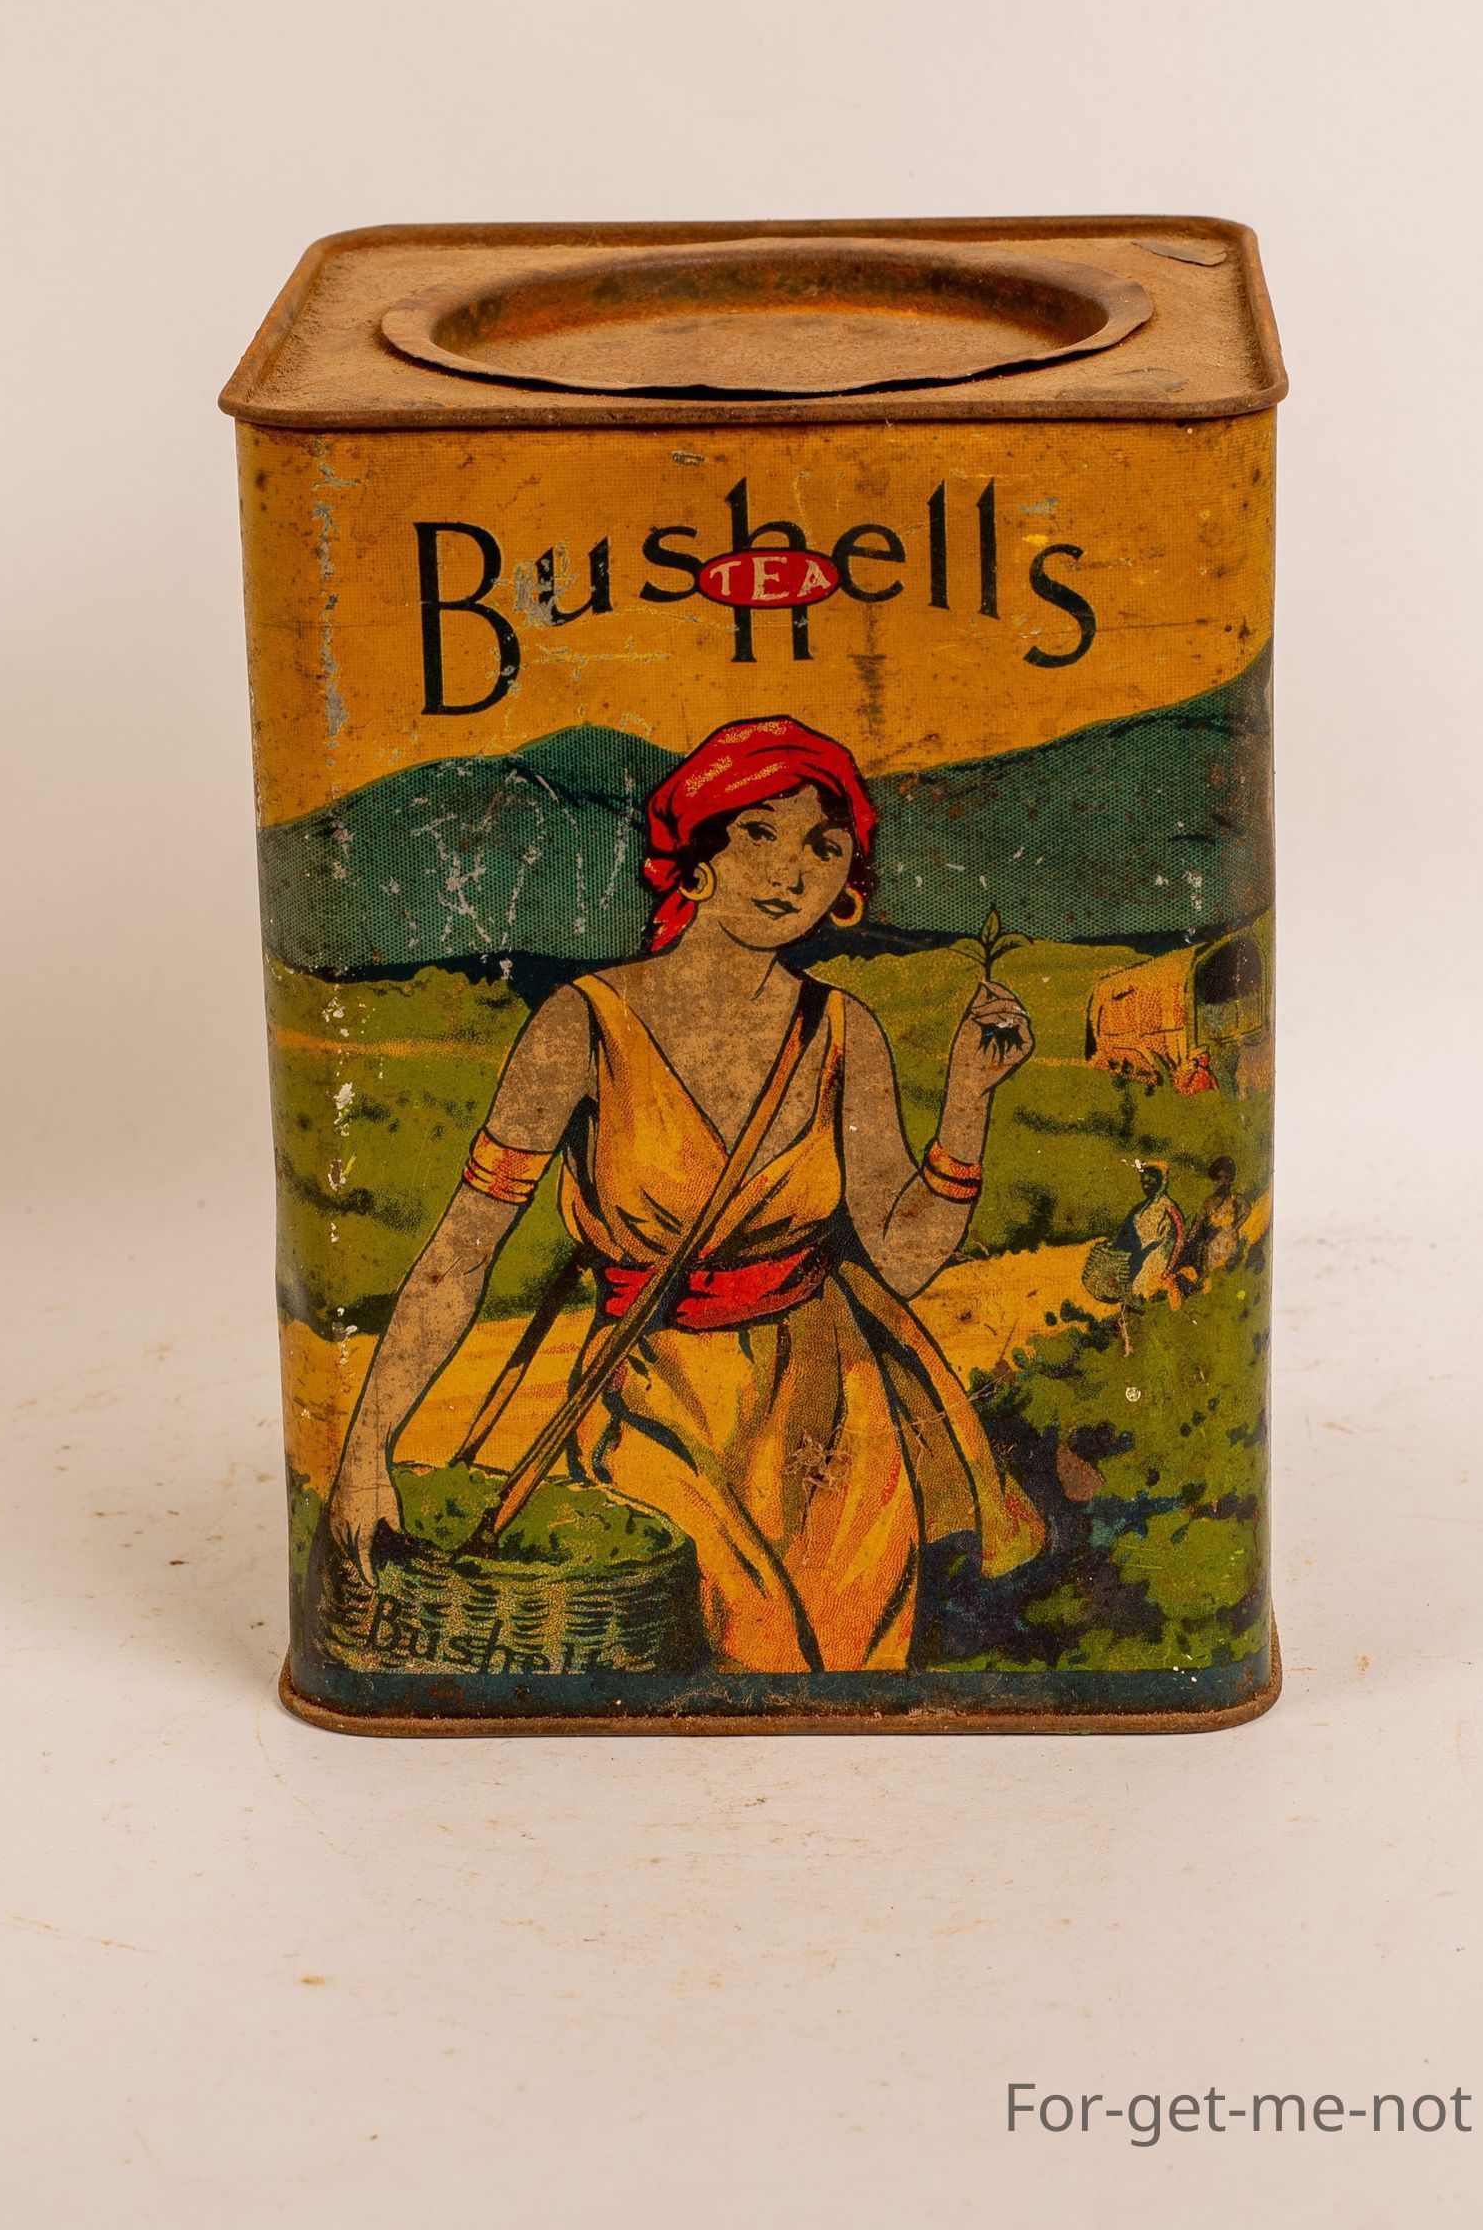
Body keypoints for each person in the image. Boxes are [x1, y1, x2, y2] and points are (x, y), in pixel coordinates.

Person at [325, 714, 1047, 1672]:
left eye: (823, 847)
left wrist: (968, 1101)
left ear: (846, 884)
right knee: (720, 1644)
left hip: (836, 1423)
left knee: (846, 1675)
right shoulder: (582, 1024)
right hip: (651, 1396)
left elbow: (904, 1257)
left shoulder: (845, 1031)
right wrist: (365, 1450)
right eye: (758, 831)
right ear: (697, 856)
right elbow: (462, 1253)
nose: (788, 871)